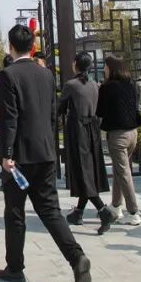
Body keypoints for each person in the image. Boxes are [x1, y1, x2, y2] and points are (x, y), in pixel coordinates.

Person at [0, 24, 91, 282]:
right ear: (32, 46)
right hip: (45, 151)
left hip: (19, 157)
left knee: (15, 213)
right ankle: (77, 257)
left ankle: (15, 268)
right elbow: (52, 113)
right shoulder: (46, 74)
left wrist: (7, 154)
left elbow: (10, 118)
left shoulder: (8, 74)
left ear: (11, 46)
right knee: (50, 211)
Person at [59, 52, 111, 233]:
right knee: (89, 170)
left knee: (82, 171)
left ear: (75, 64)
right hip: (93, 130)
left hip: (78, 130)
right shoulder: (95, 84)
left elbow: (59, 107)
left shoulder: (71, 85)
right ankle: (78, 212)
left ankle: (103, 211)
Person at [97, 54, 141, 226]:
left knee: (124, 173)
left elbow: (100, 111)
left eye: (105, 67)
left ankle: (133, 212)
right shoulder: (131, 84)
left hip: (118, 135)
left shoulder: (107, 87)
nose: (104, 70)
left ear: (111, 68)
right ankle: (116, 205)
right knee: (120, 170)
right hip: (133, 133)